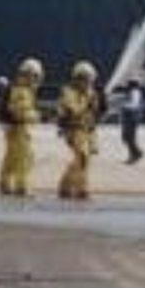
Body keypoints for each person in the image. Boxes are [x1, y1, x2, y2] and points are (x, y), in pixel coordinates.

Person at [56, 60, 100, 201]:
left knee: (84, 159)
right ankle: (80, 189)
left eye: (90, 80)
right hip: (73, 130)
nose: (88, 83)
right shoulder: (69, 93)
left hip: (86, 129)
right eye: (85, 79)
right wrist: (87, 104)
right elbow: (73, 110)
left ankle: (67, 187)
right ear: (78, 79)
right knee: (82, 157)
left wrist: (94, 137)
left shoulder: (90, 93)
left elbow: (93, 114)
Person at [0, 58, 42, 198]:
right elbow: (19, 110)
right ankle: (21, 186)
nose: (35, 79)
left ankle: (5, 184)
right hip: (19, 129)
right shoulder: (22, 91)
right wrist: (34, 116)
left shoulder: (20, 89)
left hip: (15, 128)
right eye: (34, 76)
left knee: (11, 158)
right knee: (24, 158)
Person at [117, 77, 145, 165]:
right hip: (129, 117)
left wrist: (122, 105)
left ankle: (135, 154)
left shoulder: (135, 92)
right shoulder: (132, 92)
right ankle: (135, 153)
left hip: (131, 117)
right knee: (127, 137)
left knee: (129, 137)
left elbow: (133, 105)